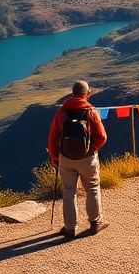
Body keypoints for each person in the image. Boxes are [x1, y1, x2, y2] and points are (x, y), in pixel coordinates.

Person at [46, 80, 108, 238]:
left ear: (72, 93)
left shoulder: (61, 112)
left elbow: (53, 137)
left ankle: (70, 228)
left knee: (69, 192)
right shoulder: (91, 111)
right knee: (92, 188)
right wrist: (92, 149)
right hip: (87, 158)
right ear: (87, 93)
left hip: (65, 158)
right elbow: (101, 137)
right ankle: (95, 223)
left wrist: (55, 157)